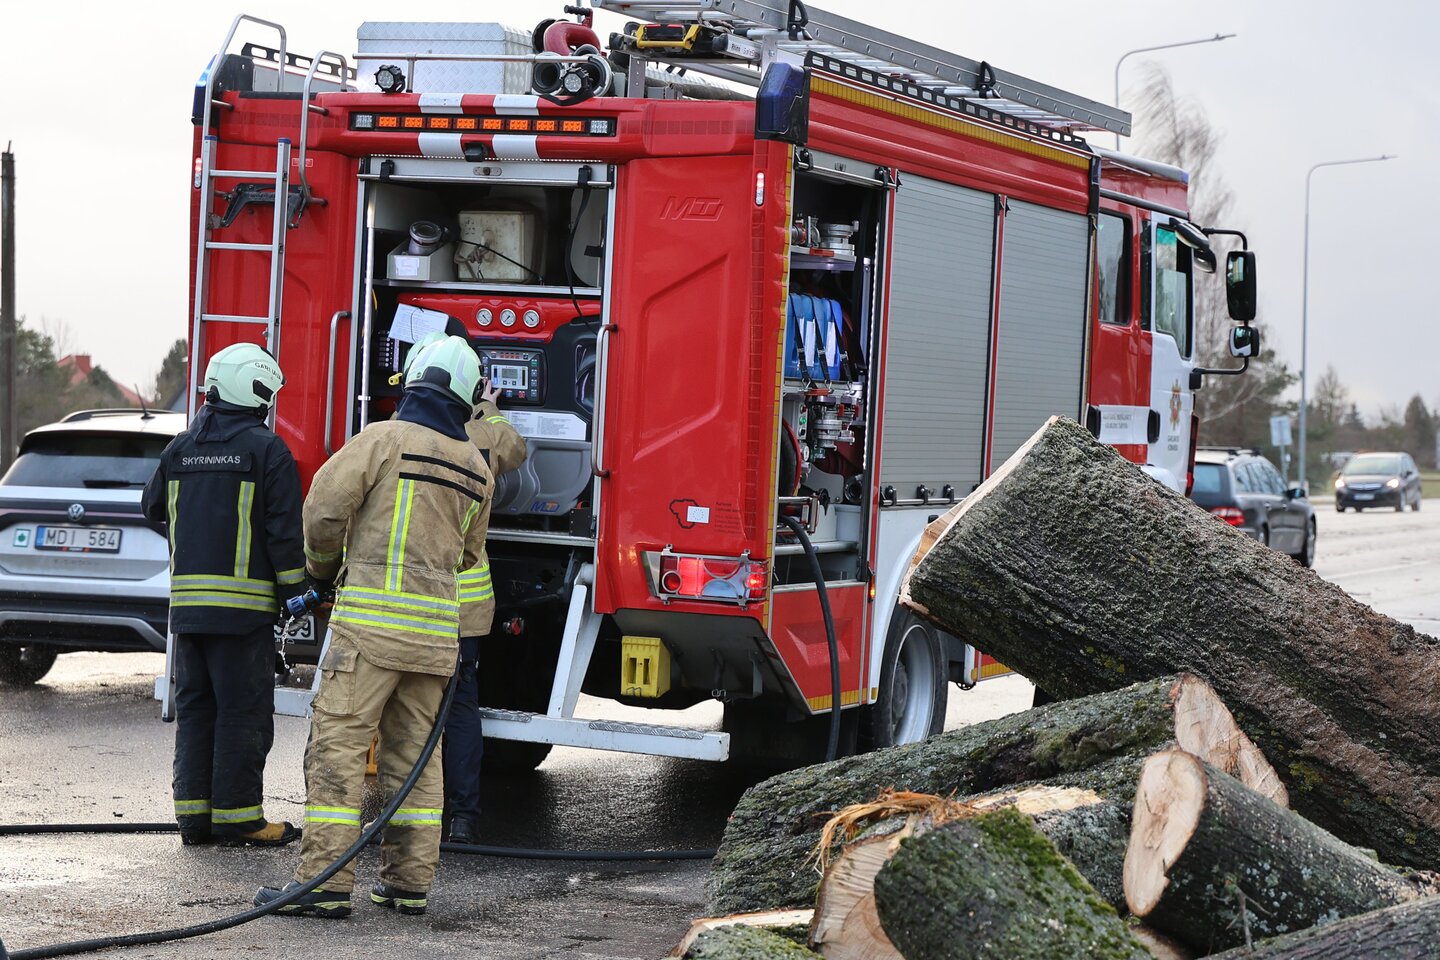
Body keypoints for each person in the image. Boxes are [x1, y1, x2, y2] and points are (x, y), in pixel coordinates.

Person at [255, 335, 492, 919]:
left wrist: (322, 567)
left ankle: (323, 885)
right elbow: (468, 555)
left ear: (413, 379)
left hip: (367, 636)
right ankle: (408, 884)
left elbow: (323, 508)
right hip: (436, 640)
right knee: (415, 762)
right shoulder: (477, 470)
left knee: (337, 751)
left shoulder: (382, 440)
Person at [141, 342, 304, 848]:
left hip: (187, 614)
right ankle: (239, 818)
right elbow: (283, 534)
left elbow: (152, 508)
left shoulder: (179, 447)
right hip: (243, 614)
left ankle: (195, 819)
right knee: (242, 712)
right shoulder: (266, 450)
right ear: (255, 391)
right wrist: (299, 590)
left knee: (196, 711)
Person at [446, 381, 528, 845]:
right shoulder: (478, 441)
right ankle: (463, 820)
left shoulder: (390, 437)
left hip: (401, 606)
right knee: (459, 713)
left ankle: (402, 821)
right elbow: (513, 447)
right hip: (463, 613)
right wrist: (489, 410)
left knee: (407, 717)